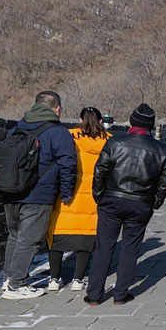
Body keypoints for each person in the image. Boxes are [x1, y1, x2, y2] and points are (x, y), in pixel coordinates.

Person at [85, 103, 166, 306]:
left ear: (132, 122)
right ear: (150, 126)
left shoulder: (115, 142)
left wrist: (99, 195)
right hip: (141, 204)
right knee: (130, 249)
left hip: (111, 200)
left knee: (104, 247)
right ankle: (120, 294)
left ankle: (95, 295)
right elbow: (164, 181)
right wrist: (155, 202)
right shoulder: (162, 149)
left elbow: (100, 171)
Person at [0, 91, 77, 300]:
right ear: (57, 109)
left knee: (15, 236)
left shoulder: (17, 128)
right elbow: (68, 164)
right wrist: (67, 193)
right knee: (30, 240)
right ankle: (17, 285)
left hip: (11, 190)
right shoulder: (58, 132)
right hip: (39, 194)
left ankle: (8, 279)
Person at [45, 107, 111, 292]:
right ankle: (78, 280)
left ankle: (54, 279)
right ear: (100, 121)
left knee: (57, 236)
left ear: (80, 118)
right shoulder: (109, 140)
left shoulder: (68, 135)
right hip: (93, 197)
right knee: (86, 238)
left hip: (67, 194)